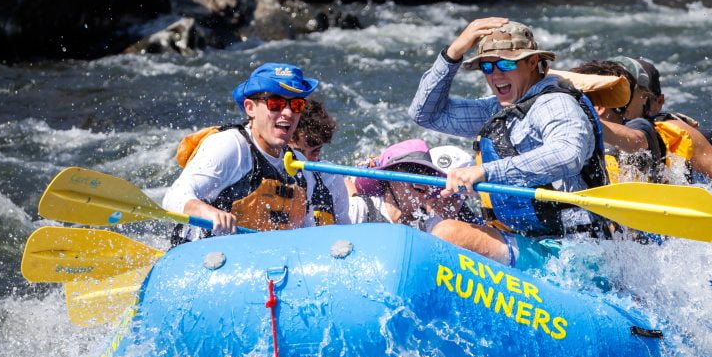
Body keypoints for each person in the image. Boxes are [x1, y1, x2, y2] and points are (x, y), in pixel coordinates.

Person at [407, 18, 610, 268]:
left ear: (532, 62)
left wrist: (485, 172)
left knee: (448, 233)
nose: (496, 74)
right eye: (487, 66)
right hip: (529, 240)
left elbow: (568, 154)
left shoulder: (555, 103)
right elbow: (425, 114)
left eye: (506, 63)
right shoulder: (497, 109)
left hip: (574, 251)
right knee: (429, 224)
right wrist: (453, 53)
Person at [163, 62, 318, 242]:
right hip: (204, 254)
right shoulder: (230, 146)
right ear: (250, 108)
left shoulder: (300, 166)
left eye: (297, 105)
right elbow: (173, 196)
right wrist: (207, 212)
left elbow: (308, 233)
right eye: (276, 103)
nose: (288, 113)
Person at [607, 56, 712, 184]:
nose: (615, 100)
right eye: (609, 91)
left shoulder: (678, 134)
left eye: (624, 92)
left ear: (653, 100)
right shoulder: (603, 126)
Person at [349, 138, 480, 229]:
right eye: (413, 169)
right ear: (389, 176)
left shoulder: (432, 224)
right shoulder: (359, 209)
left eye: (428, 172)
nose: (422, 177)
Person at [289, 98, 351, 226]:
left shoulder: (332, 177)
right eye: (298, 152)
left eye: (315, 151)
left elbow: (344, 227)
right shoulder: (273, 174)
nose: (305, 160)